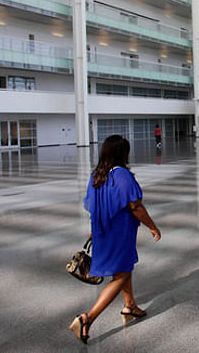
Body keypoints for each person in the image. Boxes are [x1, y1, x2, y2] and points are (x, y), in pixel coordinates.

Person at [69, 135, 161, 344]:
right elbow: (135, 206)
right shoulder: (122, 176)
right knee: (120, 276)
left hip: (102, 230)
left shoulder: (97, 176)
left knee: (124, 269)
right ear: (123, 153)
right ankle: (87, 319)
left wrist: (93, 229)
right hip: (118, 232)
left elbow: (92, 206)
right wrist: (153, 226)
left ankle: (130, 306)